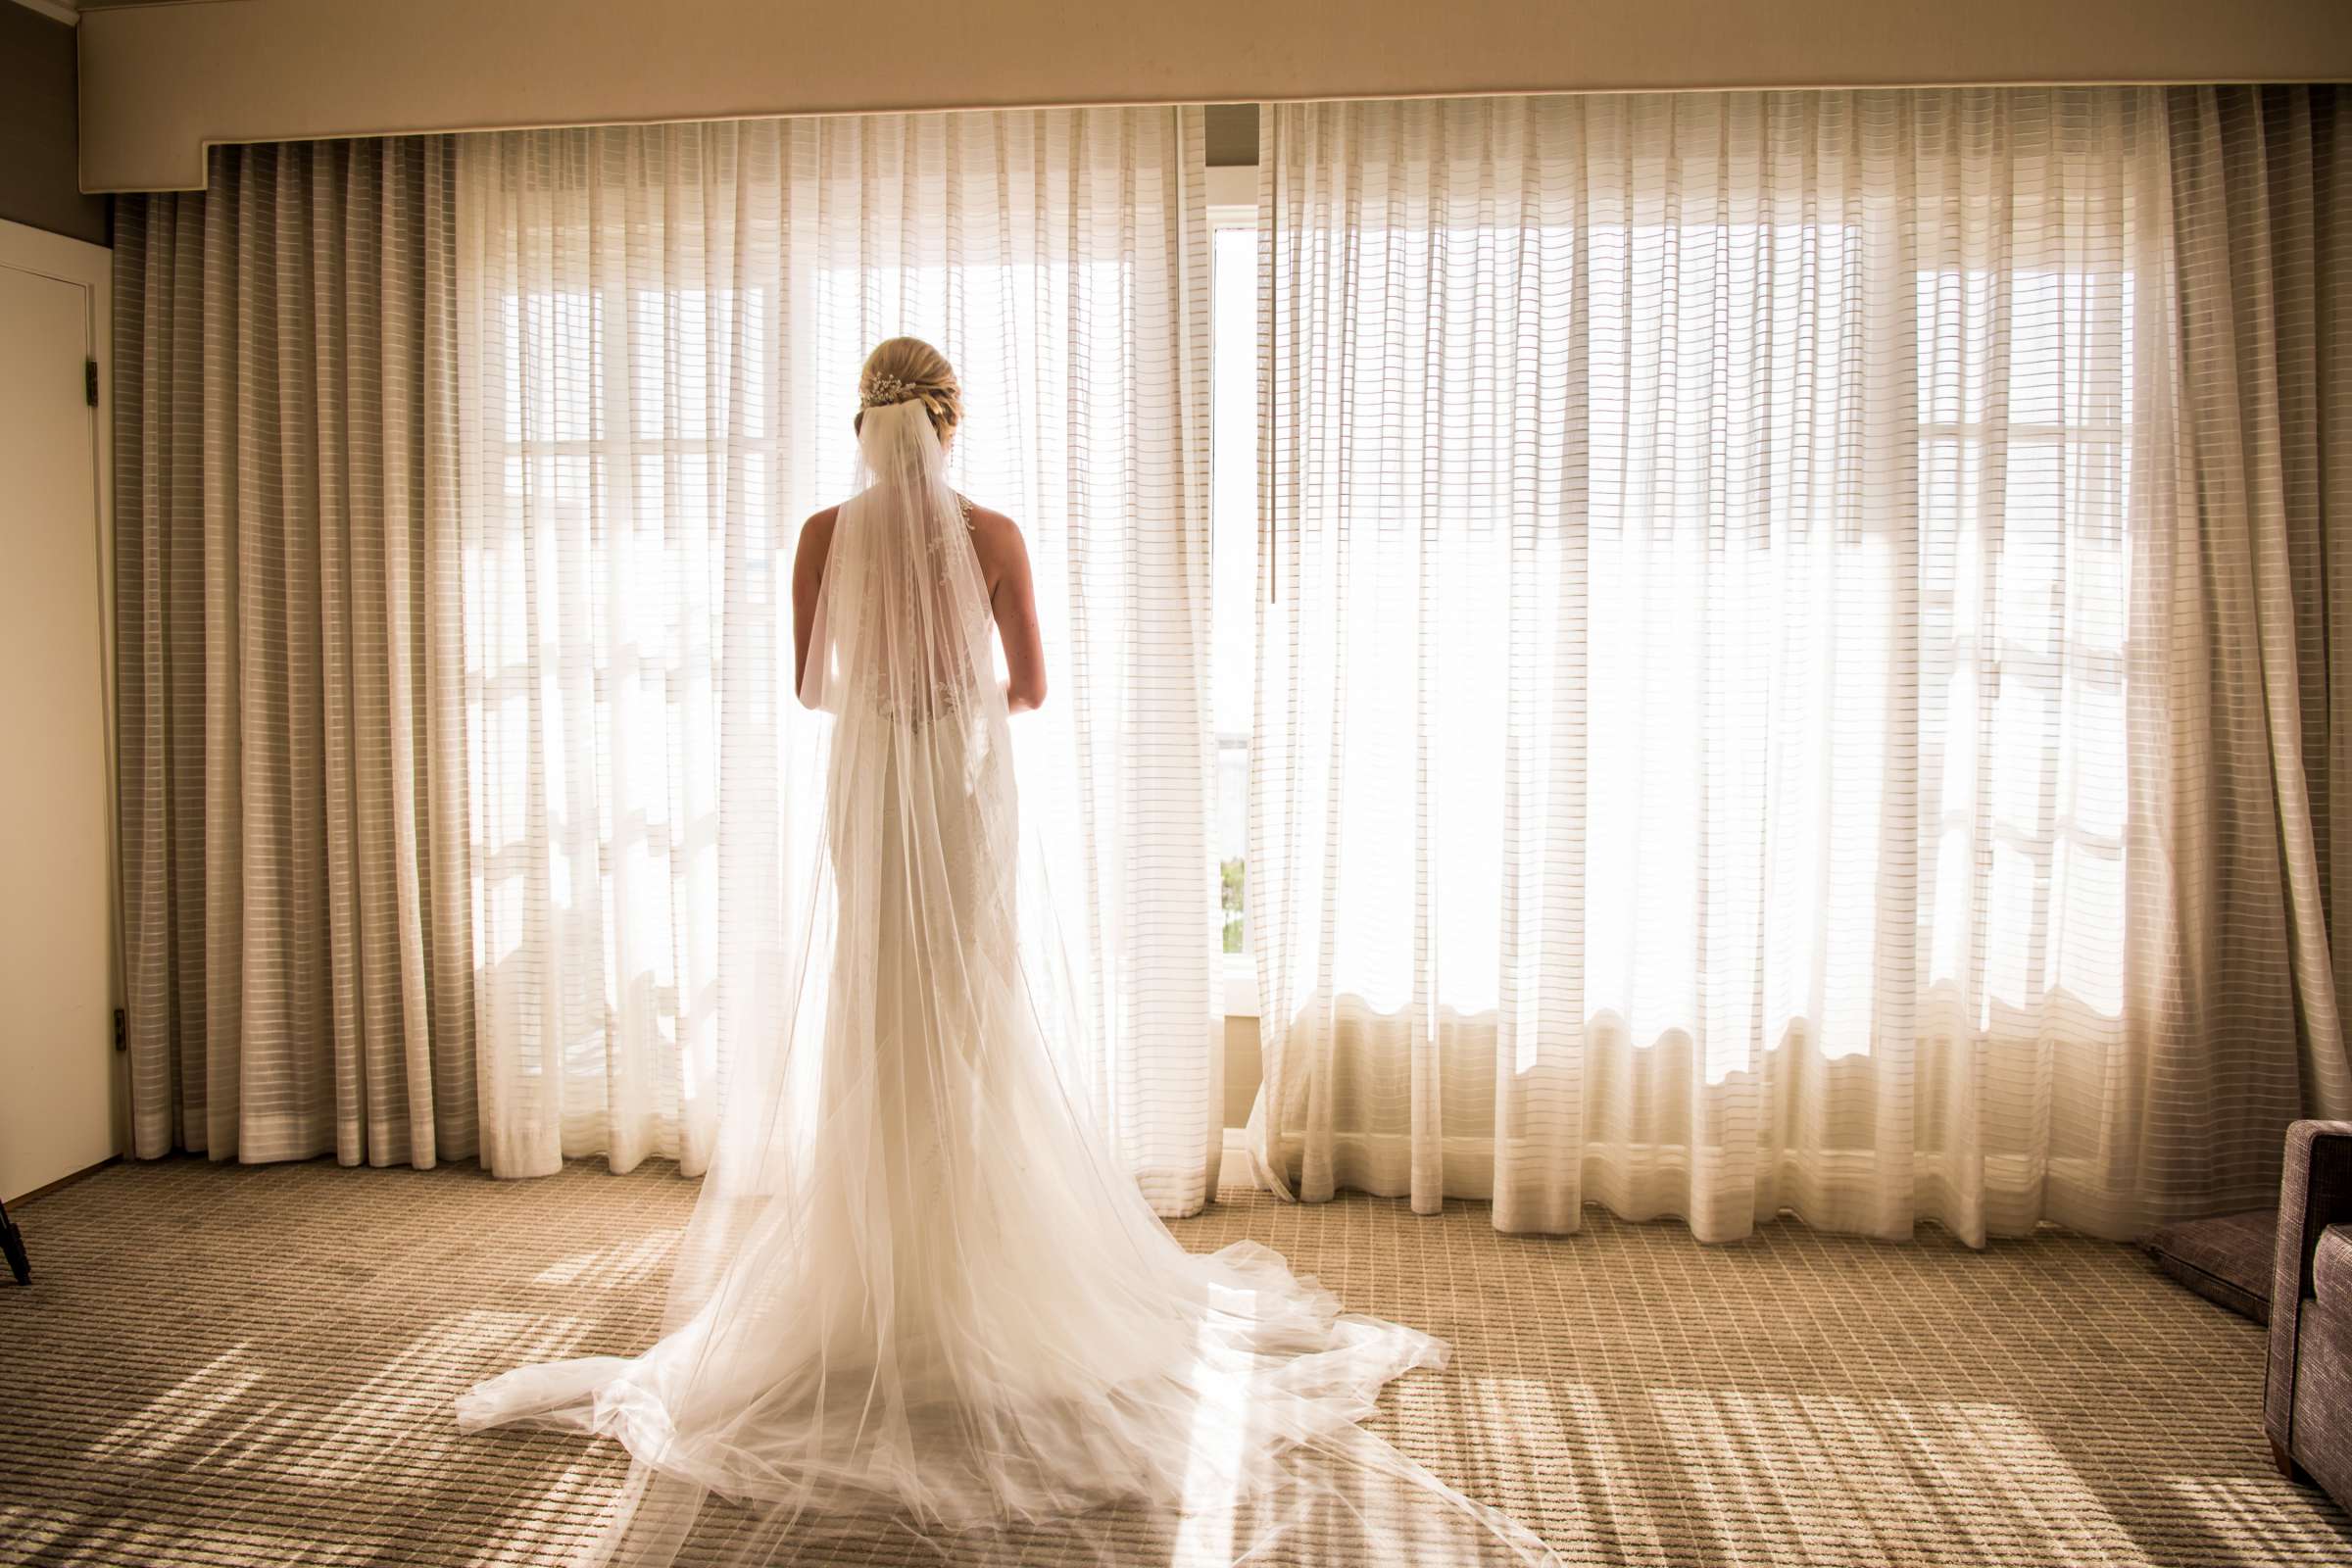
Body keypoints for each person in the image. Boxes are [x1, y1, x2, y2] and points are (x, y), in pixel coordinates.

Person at [457, 337, 1556, 1566]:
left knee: (878, 1001)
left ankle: (886, 1267)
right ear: (948, 424)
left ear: (863, 427)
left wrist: (889, 684)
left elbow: (816, 688)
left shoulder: (825, 531)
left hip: (873, 789)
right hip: (958, 783)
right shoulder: (994, 536)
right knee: (966, 1009)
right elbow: (1026, 687)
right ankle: (976, 1256)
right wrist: (949, 687)